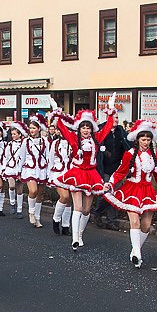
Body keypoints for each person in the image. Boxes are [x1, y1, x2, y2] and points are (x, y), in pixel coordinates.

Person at [51, 95, 117, 250]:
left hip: (92, 175)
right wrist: (55, 111)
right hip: (77, 174)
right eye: (83, 127)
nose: (86, 130)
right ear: (79, 128)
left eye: (88, 127)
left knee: (87, 210)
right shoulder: (74, 139)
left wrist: (110, 110)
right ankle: (74, 238)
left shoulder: (97, 138)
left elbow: (108, 126)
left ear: (92, 128)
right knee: (78, 208)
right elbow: (61, 127)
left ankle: (80, 234)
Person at [104, 120, 157, 268]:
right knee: (134, 221)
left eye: (148, 139)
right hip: (131, 190)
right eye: (143, 139)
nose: (146, 142)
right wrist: (110, 183)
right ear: (137, 139)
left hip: (148, 191)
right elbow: (121, 171)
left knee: (146, 225)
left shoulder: (153, 155)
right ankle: (137, 253)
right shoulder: (130, 154)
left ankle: (136, 250)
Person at [92, 110, 128, 230]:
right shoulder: (101, 130)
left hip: (117, 169)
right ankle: (98, 212)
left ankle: (111, 220)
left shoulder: (121, 132)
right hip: (104, 168)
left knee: (114, 195)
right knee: (105, 194)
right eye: (113, 118)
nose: (116, 120)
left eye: (117, 118)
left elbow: (127, 146)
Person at [19, 114, 49, 228]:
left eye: (34, 128)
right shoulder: (25, 142)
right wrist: (19, 171)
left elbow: (48, 156)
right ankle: (31, 212)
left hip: (41, 169)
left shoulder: (45, 141)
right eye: (30, 128)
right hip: (29, 168)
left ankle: (37, 218)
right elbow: (21, 157)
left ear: (39, 129)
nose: (32, 130)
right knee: (33, 190)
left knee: (40, 195)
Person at [47, 119, 73, 235]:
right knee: (64, 196)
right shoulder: (55, 143)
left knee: (69, 200)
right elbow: (50, 160)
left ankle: (66, 226)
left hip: (70, 174)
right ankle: (56, 219)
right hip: (58, 173)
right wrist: (49, 175)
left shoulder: (74, 143)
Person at [2, 122, 26, 219]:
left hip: (21, 168)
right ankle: (12, 203)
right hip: (11, 168)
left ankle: (19, 209)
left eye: (15, 134)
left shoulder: (24, 144)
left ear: (20, 134)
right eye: (12, 134)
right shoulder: (9, 145)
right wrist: (4, 168)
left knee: (20, 190)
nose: (13, 136)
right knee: (12, 186)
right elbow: (5, 157)